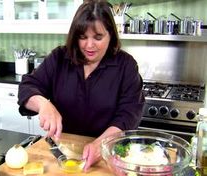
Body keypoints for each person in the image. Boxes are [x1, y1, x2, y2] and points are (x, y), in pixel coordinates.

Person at [18, 0, 145, 172]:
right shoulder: (59, 58)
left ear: (111, 36)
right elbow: (27, 87)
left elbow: (129, 115)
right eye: (83, 37)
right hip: (61, 152)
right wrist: (43, 104)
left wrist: (101, 144)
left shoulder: (126, 65)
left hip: (107, 153)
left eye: (98, 37)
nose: (89, 45)